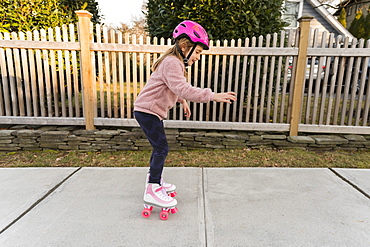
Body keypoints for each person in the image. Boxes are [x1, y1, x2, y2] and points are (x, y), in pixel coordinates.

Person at [134, 20, 237, 210]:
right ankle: (152, 188)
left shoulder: (173, 62)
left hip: (149, 112)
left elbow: (170, 87)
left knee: (159, 148)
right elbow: (183, 88)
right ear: (184, 46)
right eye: (197, 52)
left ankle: (155, 180)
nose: (198, 57)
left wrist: (181, 100)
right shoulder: (173, 62)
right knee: (161, 149)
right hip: (147, 112)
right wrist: (212, 96)